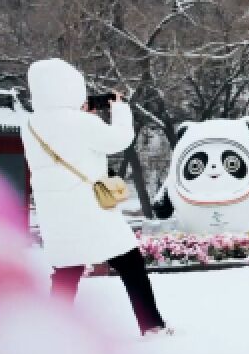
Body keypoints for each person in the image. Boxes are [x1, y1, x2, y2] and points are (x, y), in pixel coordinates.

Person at [21, 58, 172, 337]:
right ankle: (151, 325)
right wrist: (120, 108)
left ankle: (51, 335)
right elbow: (120, 139)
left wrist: (83, 108)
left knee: (67, 270)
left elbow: (62, 130)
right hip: (90, 211)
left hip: (55, 215)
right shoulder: (79, 122)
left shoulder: (30, 126)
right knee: (130, 262)